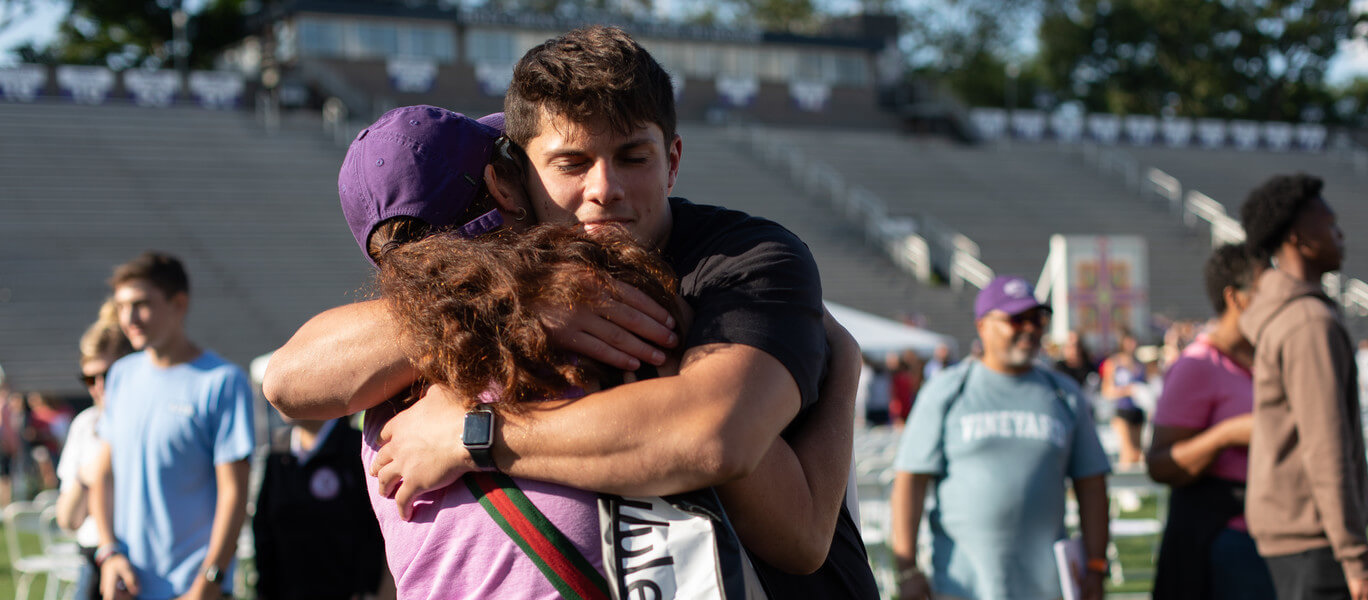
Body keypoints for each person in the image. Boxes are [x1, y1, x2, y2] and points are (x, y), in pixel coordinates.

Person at [267, 28, 878, 595]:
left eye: (632, 157)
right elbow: (288, 379)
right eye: (571, 163)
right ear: (512, 183)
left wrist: (476, 435)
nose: (603, 188)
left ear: (672, 158)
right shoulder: (465, 319)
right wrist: (516, 299)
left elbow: (719, 439)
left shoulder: (741, 258)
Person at [890, 275, 1111, 600]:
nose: (1031, 328)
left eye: (1038, 318)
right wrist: (907, 569)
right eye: (1016, 319)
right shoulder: (948, 390)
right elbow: (910, 481)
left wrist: (1095, 565)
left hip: (1047, 589)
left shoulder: (1064, 393)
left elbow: (1091, 484)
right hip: (960, 587)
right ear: (982, 325)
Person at [1238, 173, 1368, 600]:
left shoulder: (1293, 313)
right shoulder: (1308, 323)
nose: (1340, 234)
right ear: (1299, 237)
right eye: (1330, 223)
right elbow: (1325, 446)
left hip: (1298, 537)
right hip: (1316, 540)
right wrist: (1356, 560)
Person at [91, 252, 255, 600]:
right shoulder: (120, 375)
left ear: (178, 304)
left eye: (141, 304)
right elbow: (103, 476)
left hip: (195, 590)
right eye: (121, 307)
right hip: (128, 586)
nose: (129, 318)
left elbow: (235, 493)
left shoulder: (222, 381)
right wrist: (108, 554)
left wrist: (208, 581)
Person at [1148, 244, 1275, 600]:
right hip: (1229, 538)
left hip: (1277, 533)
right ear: (1235, 298)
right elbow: (1160, 464)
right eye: (1266, 289)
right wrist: (1226, 435)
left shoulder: (1269, 357)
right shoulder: (1198, 365)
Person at [253, 413, 389, 600]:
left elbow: (379, 533)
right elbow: (263, 533)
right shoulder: (278, 451)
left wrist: (370, 589)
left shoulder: (359, 448)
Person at [56, 299, 135, 600]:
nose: (99, 386)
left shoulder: (147, 422)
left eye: (108, 375)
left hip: (138, 557)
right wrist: (87, 476)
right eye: (90, 378)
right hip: (94, 556)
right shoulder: (85, 424)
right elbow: (68, 520)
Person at [1101, 329, 1147, 467]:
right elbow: (1106, 391)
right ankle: (1123, 486)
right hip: (1122, 411)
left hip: (1138, 410)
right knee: (1128, 451)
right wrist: (1126, 390)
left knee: (1139, 453)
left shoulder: (1140, 364)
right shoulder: (1114, 363)